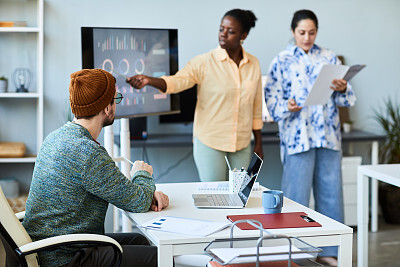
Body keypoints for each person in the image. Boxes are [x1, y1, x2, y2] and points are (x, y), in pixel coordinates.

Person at [22, 69, 169, 267]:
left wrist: (146, 193)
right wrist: (142, 174)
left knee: (140, 241)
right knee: (162, 259)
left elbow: (134, 197)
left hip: (46, 247)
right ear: (106, 108)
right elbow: (138, 201)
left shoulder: (55, 137)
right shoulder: (88, 153)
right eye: (115, 98)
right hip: (66, 257)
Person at [126, 9, 263, 182]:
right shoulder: (204, 62)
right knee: (216, 198)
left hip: (242, 143)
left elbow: (256, 105)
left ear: (243, 35)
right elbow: (177, 81)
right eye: (221, 29)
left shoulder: (253, 64)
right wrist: (149, 80)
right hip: (210, 142)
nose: (223, 34)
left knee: (241, 197)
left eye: (231, 31)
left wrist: (259, 141)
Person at [264, 9, 356, 266]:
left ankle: (330, 252)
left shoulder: (330, 57)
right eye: (302, 32)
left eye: (312, 32)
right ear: (293, 32)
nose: (307, 37)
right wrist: (287, 106)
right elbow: (271, 100)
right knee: (296, 198)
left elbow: (347, 98)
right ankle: (292, 252)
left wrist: (343, 87)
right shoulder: (281, 60)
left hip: (328, 135)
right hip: (297, 136)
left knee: (331, 195)